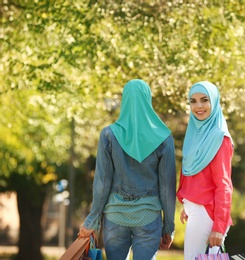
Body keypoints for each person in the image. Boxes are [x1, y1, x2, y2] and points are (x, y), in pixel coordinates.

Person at [78, 79, 176, 260]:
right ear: (148, 100)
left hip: (115, 216)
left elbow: (102, 181)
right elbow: (167, 189)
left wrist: (92, 220)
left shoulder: (108, 135)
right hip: (148, 216)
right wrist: (169, 227)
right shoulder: (164, 139)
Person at [177, 81, 234, 260]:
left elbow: (224, 185)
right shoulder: (195, 133)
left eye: (204, 100)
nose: (198, 106)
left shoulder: (219, 137)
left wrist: (219, 226)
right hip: (197, 209)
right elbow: (194, 174)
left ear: (214, 102)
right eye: (193, 101)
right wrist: (189, 203)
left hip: (207, 213)